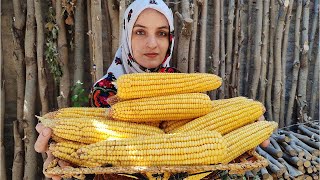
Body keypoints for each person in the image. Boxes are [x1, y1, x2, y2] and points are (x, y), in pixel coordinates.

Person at [35, 0, 270, 179]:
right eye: (140, 32)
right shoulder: (105, 92)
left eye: (161, 33)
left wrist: (239, 131)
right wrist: (64, 151)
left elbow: (204, 150)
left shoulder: (184, 87)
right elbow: (97, 153)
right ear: (127, 36)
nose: (152, 43)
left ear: (171, 39)